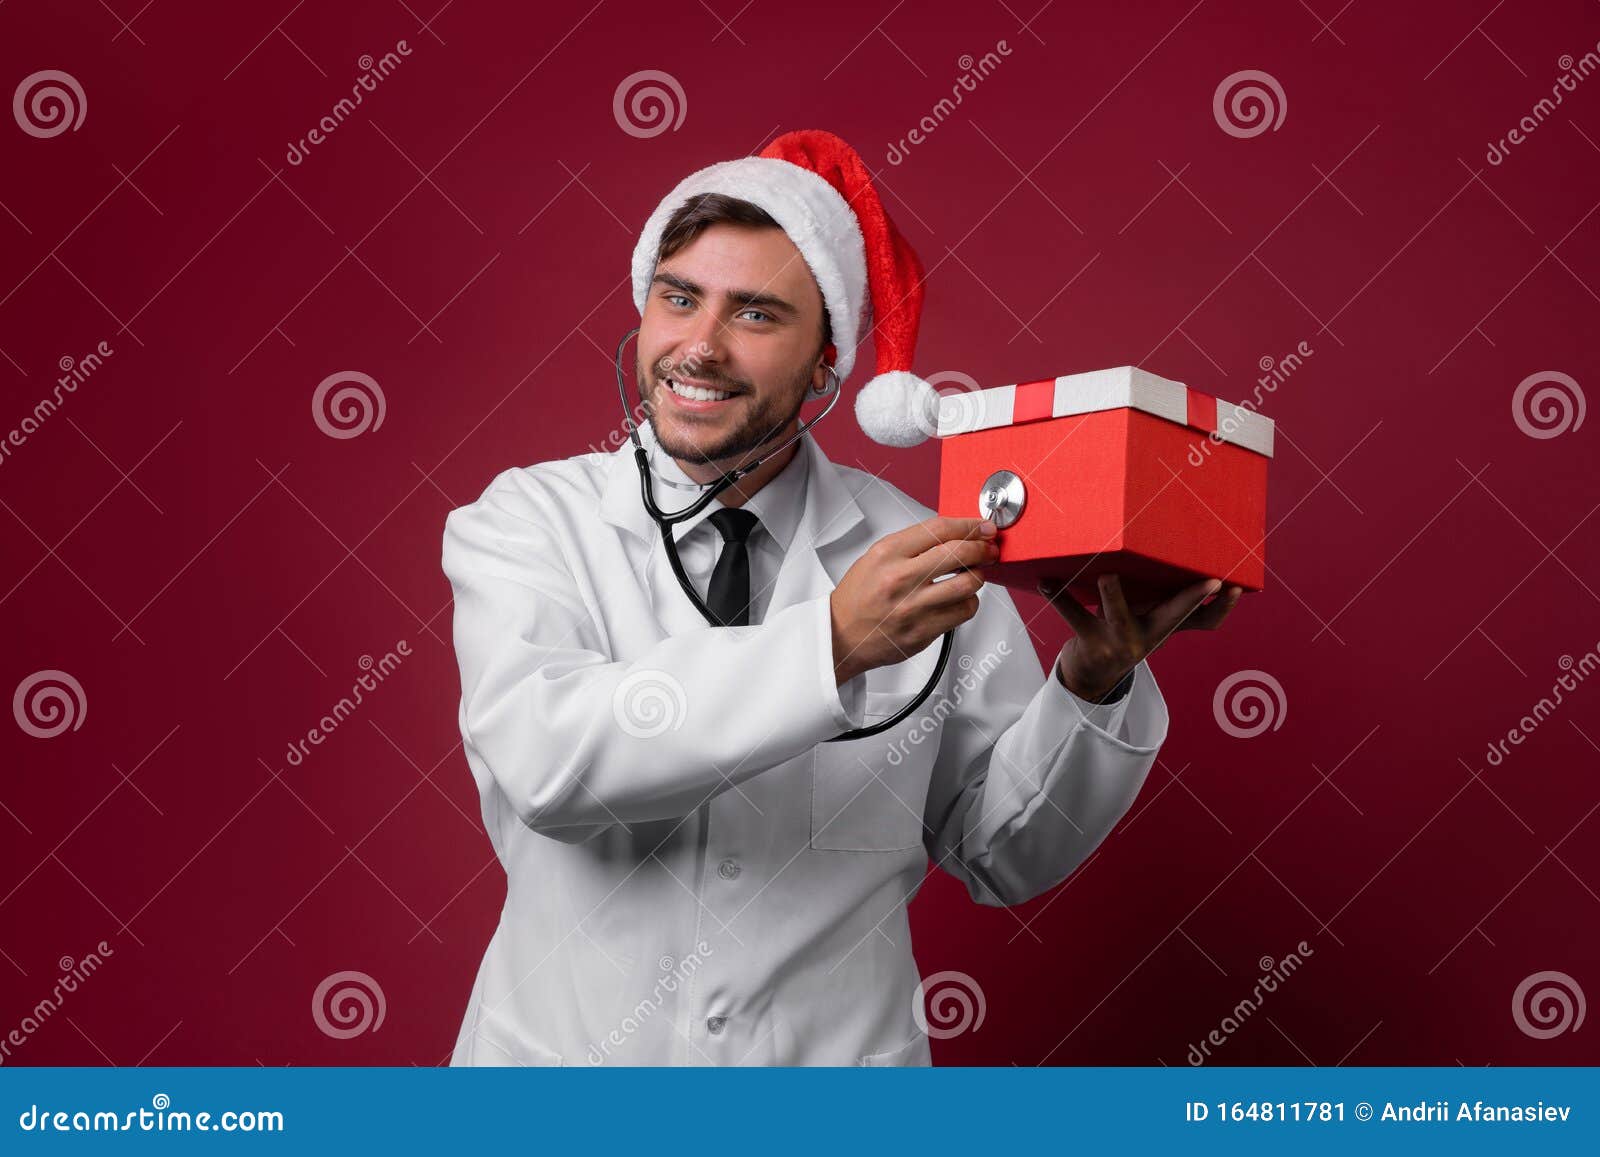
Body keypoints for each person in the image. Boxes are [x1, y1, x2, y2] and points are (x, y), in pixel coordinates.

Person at [441, 130, 1242, 1066]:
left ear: (827, 362)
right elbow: (551, 763)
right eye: (679, 297)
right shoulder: (529, 520)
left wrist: (1095, 680)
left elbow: (1003, 850)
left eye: (755, 315)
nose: (698, 346)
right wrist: (832, 642)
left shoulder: (920, 553)